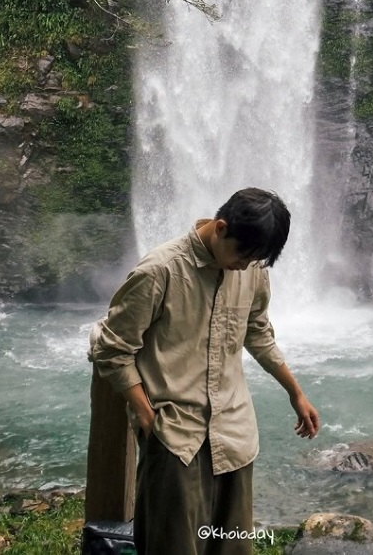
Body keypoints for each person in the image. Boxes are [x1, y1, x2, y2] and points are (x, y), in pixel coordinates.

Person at [90, 187, 319, 555]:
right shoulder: (159, 271)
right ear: (221, 227)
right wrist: (147, 416)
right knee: (173, 547)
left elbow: (257, 332)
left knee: (232, 547)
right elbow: (111, 347)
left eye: (255, 260)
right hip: (176, 436)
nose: (244, 267)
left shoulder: (253, 270)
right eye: (242, 256)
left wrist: (296, 393)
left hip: (234, 433)